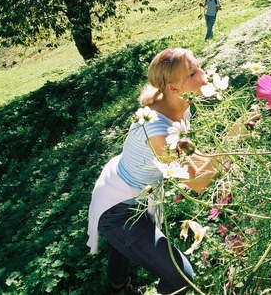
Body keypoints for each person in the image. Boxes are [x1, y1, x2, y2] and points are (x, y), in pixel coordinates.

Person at [87, 48, 225, 295]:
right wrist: (234, 139)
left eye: (198, 67)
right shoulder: (157, 130)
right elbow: (198, 183)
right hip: (116, 208)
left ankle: (116, 287)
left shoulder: (182, 106)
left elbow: (191, 157)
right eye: (193, 73)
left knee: (127, 242)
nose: (203, 74)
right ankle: (117, 286)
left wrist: (219, 157)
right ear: (172, 88)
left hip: (127, 188)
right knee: (183, 277)